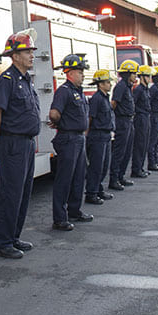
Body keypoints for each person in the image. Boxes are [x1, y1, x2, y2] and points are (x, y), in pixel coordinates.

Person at [0, 29, 41, 259]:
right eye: (27, 51)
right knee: (11, 194)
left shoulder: (26, 80)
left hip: (27, 144)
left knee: (23, 194)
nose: (32, 55)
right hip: (12, 144)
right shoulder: (7, 80)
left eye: (32, 51)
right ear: (15, 55)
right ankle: (1, 242)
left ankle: (13, 237)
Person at [49, 53, 94, 230]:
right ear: (70, 73)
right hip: (68, 138)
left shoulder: (79, 93)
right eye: (80, 71)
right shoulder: (64, 91)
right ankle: (59, 218)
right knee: (64, 179)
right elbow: (54, 113)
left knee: (78, 176)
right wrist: (62, 123)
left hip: (79, 138)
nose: (83, 75)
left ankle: (74, 211)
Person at [84, 69, 115, 204]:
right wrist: (87, 135)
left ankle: (99, 189)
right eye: (107, 82)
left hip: (106, 135)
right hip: (97, 136)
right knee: (96, 166)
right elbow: (90, 118)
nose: (110, 85)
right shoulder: (96, 99)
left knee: (104, 165)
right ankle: (91, 193)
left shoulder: (105, 97)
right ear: (100, 84)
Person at [109, 59, 139, 190]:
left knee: (127, 151)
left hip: (129, 120)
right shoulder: (121, 87)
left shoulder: (128, 87)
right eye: (134, 74)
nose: (135, 76)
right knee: (119, 151)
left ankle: (121, 176)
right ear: (127, 74)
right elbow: (114, 104)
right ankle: (114, 179)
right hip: (122, 121)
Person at [131, 64, 154, 178]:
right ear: (143, 77)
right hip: (140, 118)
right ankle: (136, 169)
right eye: (148, 76)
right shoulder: (138, 89)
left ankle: (140, 167)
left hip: (146, 116)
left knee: (145, 143)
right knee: (139, 144)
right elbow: (133, 104)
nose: (150, 78)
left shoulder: (146, 89)